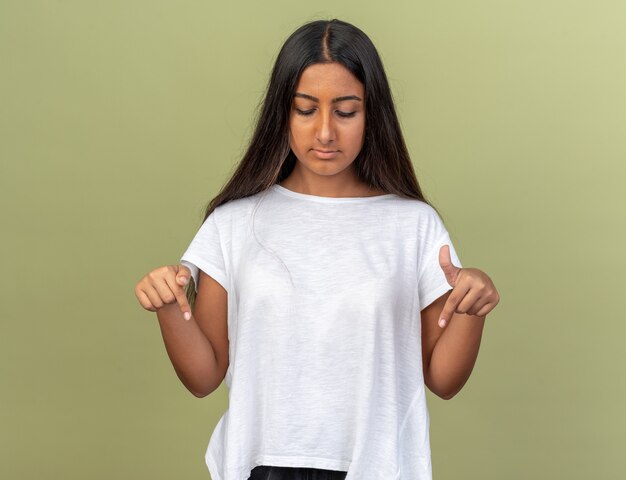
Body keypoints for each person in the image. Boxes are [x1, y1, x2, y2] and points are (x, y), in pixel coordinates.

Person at [134, 18, 500, 480]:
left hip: (378, 466)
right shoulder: (233, 224)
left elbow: (443, 381)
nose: (325, 132)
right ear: (281, 114)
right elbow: (204, 377)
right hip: (261, 464)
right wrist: (169, 308)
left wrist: (472, 308)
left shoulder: (413, 225)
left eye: (346, 112)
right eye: (306, 109)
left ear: (372, 115)